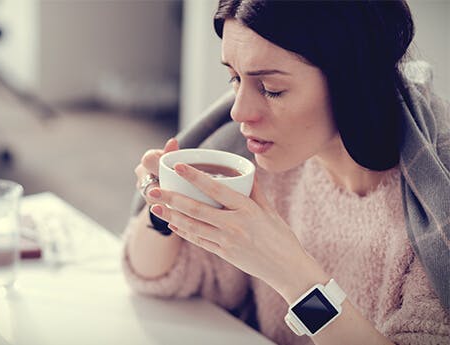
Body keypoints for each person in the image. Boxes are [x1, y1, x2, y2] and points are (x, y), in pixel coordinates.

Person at [122, 1, 450, 344]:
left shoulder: (433, 210)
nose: (238, 111)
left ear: (352, 81)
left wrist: (287, 270)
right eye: (234, 77)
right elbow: (154, 275)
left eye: (272, 89)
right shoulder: (268, 166)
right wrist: (163, 207)